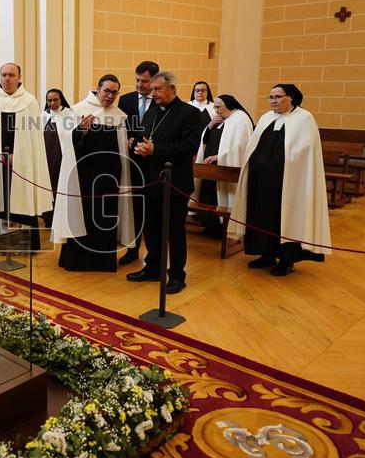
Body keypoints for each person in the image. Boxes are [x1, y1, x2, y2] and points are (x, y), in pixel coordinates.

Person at [230, 84, 330, 277]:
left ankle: (287, 260)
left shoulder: (304, 118)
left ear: (290, 97)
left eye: (277, 97)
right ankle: (266, 254)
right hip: (261, 182)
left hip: (288, 183)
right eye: (270, 97)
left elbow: (304, 153)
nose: (273, 101)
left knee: (283, 219)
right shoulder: (266, 118)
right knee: (261, 217)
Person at [126, 71, 202, 294]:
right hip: (150, 180)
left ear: (172, 89)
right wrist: (137, 144)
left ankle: (177, 275)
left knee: (174, 230)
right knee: (152, 228)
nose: (153, 93)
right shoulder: (152, 109)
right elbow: (147, 137)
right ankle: (152, 268)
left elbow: (189, 147)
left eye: (158, 89)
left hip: (175, 182)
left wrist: (155, 150)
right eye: (153, 89)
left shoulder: (190, 113)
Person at [52, 76, 135, 272]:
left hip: (109, 178)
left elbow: (122, 149)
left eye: (114, 92)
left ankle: (103, 262)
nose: (110, 95)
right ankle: (77, 260)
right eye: (106, 90)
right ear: (97, 88)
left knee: (105, 218)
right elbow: (66, 142)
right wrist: (81, 130)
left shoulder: (119, 115)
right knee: (82, 217)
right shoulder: (79, 110)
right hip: (83, 177)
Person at [0, 63, 53, 250]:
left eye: (11, 75)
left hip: (22, 165)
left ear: (19, 77)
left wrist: (20, 155)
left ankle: (25, 244)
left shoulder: (30, 101)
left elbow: (33, 139)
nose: (7, 78)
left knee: (22, 201)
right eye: (4, 75)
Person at [116, 60, 158, 265]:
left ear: (154, 81)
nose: (140, 85)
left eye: (144, 81)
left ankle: (153, 254)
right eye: (137, 80)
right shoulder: (126, 100)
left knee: (149, 211)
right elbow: (123, 127)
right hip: (131, 162)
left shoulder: (160, 102)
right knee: (133, 208)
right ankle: (131, 250)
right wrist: (129, 139)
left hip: (152, 163)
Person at [193, 94, 254, 236]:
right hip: (212, 169)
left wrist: (220, 156)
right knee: (208, 196)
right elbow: (206, 140)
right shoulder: (222, 120)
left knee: (222, 197)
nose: (215, 110)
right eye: (214, 107)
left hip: (225, 168)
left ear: (228, 106)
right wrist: (210, 126)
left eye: (218, 107)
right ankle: (211, 226)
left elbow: (240, 147)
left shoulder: (240, 119)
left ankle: (224, 229)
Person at [41, 89, 75, 226]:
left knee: (61, 187)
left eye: (55, 99)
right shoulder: (42, 116)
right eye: (49, 100)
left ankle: (62, 219)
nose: (52, 103)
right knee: (47, 188)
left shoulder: (70, 115)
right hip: (46, 159)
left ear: (61, 99)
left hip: (62, 158)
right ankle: (48, 219)